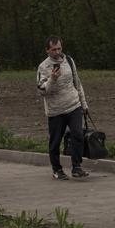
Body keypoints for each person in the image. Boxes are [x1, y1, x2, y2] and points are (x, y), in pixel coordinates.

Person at [36, 36, 90, 180]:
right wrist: (52, 79)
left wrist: (84, 104)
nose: (57, 52)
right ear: (47, 50)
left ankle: (77, 167)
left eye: (59, 48)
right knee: (55, 141)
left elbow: (77, 83)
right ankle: (57, 169)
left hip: (74, 105)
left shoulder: (69, 61)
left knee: (78, 135)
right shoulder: (43, 67)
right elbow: (42, 91)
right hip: (55, 111)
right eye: (53, 49)